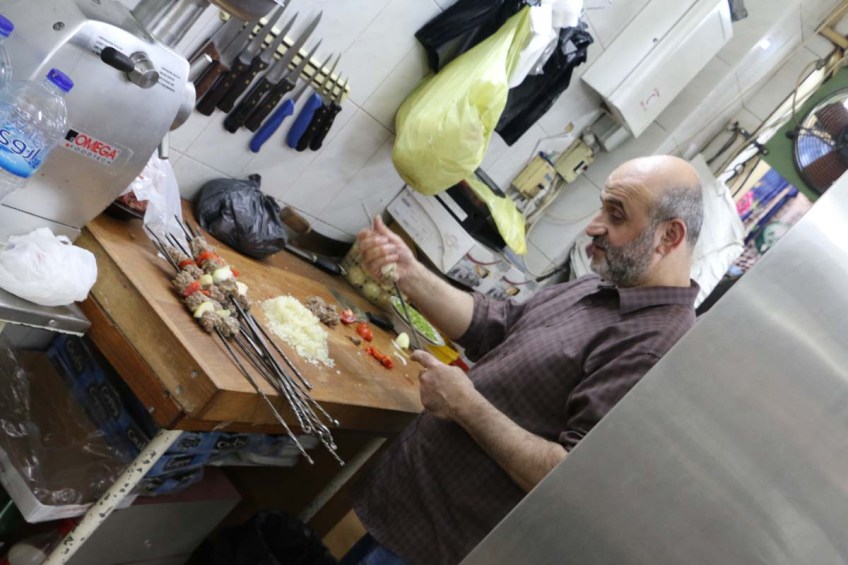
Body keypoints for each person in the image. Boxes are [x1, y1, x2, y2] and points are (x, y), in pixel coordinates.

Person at [345, 155, 704, 565]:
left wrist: (465, 405)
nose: (594, 226)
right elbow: (496, 326)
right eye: (602, 207)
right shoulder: (607, 287)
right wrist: (409, 273)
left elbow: (564, 478)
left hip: (436, 543)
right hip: (403, 504)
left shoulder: (654, 347)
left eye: (616, 215)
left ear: (669, 236)